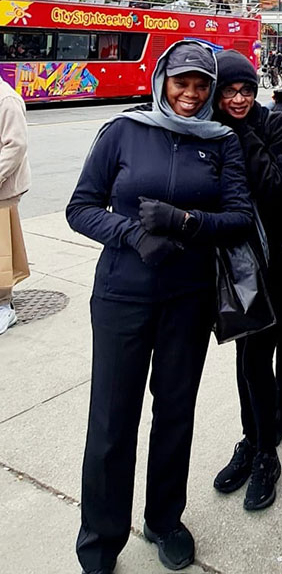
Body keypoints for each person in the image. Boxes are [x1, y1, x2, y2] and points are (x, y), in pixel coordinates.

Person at [67, 41, 253, 574]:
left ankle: (164, 519)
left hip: (188, 300)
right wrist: (131, 233)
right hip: (123, 295)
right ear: (161, 80)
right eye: (182, 82)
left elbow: (239, 217)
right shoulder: (123, 131)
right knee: (111, 419)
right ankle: (100, 541)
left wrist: (187, 224)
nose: (191, 94)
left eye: (201, 85)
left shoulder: (221, 143)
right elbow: (80, 208)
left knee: (175, 411)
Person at [210, 50, 282, 512]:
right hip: (242, 267)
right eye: (229, 91)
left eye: (246, 90)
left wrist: (239, 134)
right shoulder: (208, 131)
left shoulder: (275, 123)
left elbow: (276, 189)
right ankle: (259, 447)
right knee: (251, 356)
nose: (238, 98)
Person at [0, 74, 31, 335]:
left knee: (2, 250)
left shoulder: (6, 99)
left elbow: (16, 146)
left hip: (3, 190)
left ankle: (3, 306)